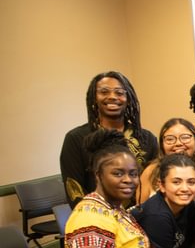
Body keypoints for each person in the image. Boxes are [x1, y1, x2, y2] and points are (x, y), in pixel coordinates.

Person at [60, 72, 158, 207]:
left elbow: (154, 184)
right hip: (97, 220)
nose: (112, 97)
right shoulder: (76, 139)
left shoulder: (147, 139)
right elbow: (74, 190)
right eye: (104, 92)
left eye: (119, 92)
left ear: (128, 99)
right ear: (94, 98)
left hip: (142, 218)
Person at [137, 118, 195, 204]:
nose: (178, 143)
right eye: (170, 139)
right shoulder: (151, 171)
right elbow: (141, 209)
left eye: (185, 137)